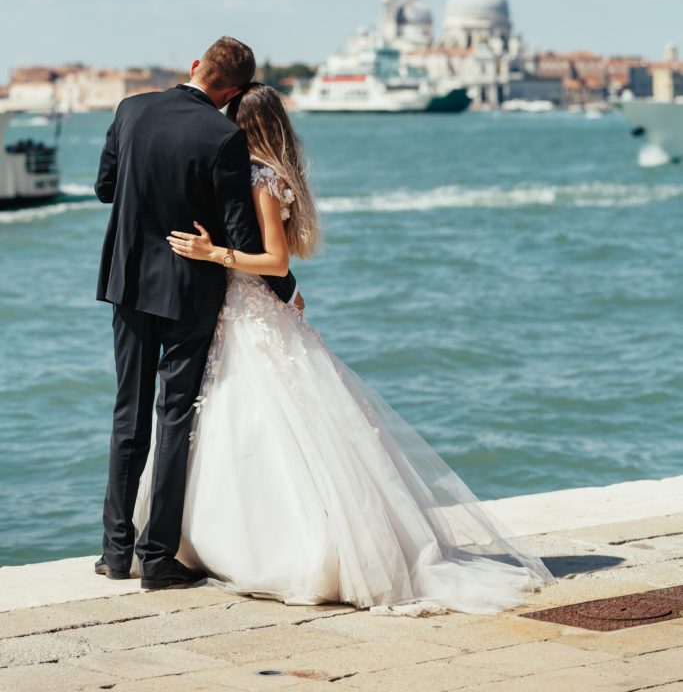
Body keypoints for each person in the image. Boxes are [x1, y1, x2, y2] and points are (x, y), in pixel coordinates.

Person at [133, 81, 557, 614]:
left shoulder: (263, 180)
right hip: (240, 318)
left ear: (247, 126)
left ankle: (276, 549)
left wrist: (213, 252)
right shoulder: (248, 174)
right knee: (235, 425)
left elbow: (277, 264)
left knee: (262, 429)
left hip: (253, 317)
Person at [94, 38, 302, 591]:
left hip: (128, 280)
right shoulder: (225, 136)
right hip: (190, 290)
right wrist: (286, 288)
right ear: (231, 92)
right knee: (175, 415)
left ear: (194, 67)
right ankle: (157, 556)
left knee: (127, 412)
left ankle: (115, 552)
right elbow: (237, 230)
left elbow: (105, 188)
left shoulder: (130, 108)